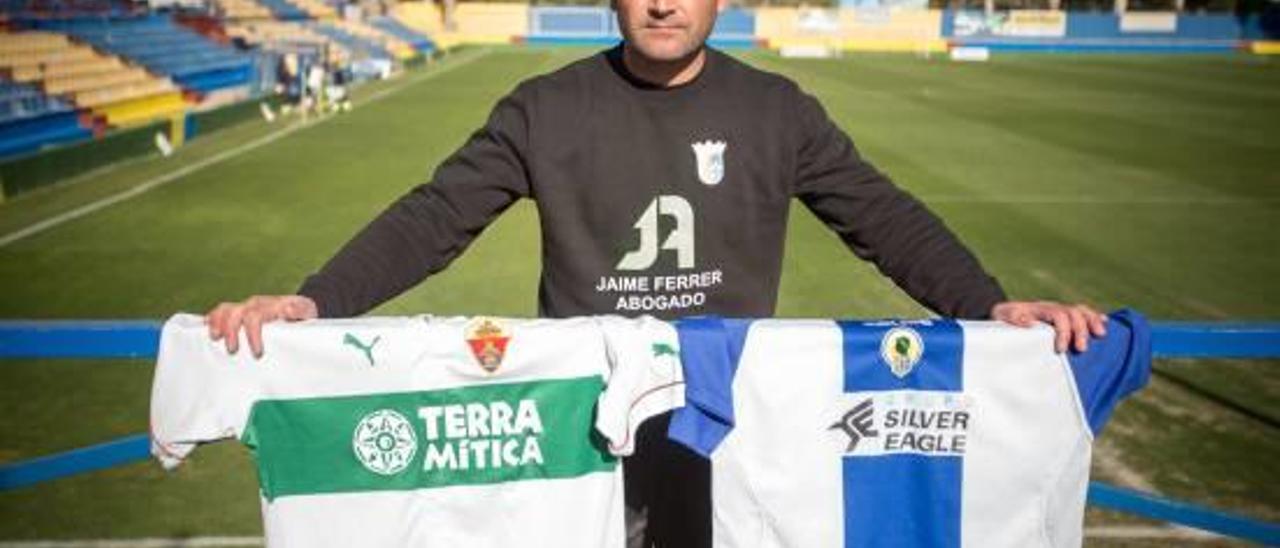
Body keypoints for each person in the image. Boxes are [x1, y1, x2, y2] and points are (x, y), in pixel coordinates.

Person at [206, 0, 1108, 544]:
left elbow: (882, 217)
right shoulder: (545, 108)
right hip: (584, 442)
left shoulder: (776, 110)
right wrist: (313, 302)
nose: (666, 5)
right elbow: (434, 218)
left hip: (734, 436)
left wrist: (990, 307)